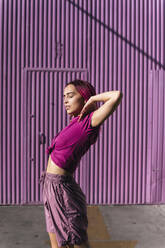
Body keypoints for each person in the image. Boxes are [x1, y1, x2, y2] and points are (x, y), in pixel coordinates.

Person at [39, 79, 123, 248]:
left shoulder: (90, 121)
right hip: (49, 186)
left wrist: (92, 100)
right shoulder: (76, 121)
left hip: (62, 189)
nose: (65, 100)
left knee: (75, 241)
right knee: (57, 244)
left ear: (84, 97)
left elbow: (116, 96)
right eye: (64, 97)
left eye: (70, 96)